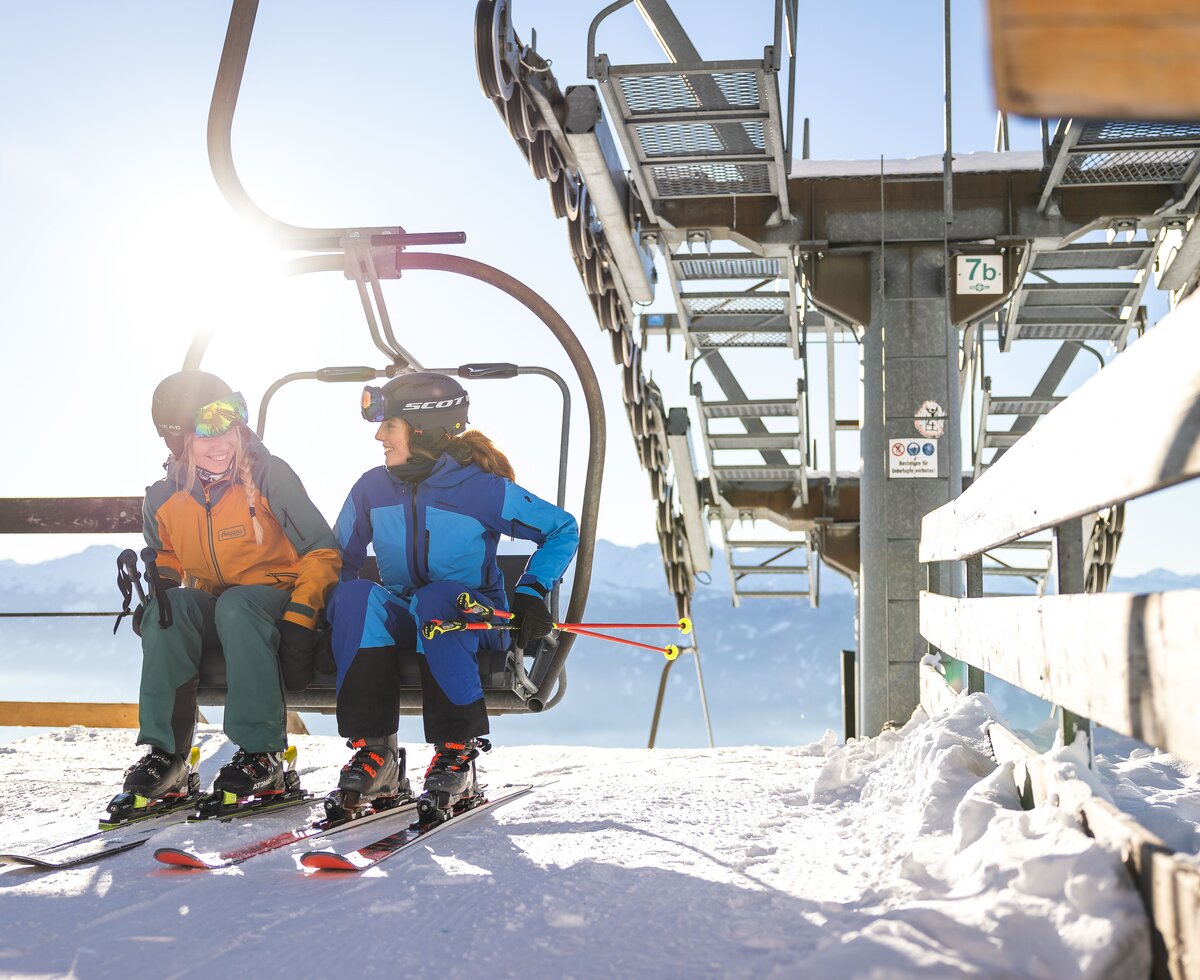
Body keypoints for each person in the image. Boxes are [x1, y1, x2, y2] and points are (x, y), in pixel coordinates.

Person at [327, 371, 578, 811]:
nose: (379, 437)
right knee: (355, 598)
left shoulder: (478, 489)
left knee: (437, 598)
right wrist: (336, 623)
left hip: (473, 618)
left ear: (423, 430)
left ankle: (456, 751)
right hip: (410, 615)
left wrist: (533, 590)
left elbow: (561, 528)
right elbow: (336, 561)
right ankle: (375, 753)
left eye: (390, 426)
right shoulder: (372, 488)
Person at [120, 369, 341, 805]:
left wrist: (301, 617)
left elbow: (322, 549)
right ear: (178, 440)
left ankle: (262, 755)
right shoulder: (163, 497)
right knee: (173, 609)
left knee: (238, 604)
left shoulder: (268, 477)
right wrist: (160, 591)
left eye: (230, 428)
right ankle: (168, 757)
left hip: (278, 601)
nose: (222, 443)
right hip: (222, 609)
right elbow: (165, 555)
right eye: (206, 434)